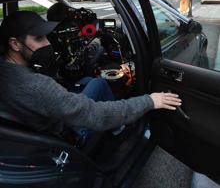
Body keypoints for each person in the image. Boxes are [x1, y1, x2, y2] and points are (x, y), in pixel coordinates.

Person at [0, 11, 181, 138]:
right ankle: (118, 129)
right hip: (68, 132)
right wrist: (150, 101)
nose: (48, 43)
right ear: (15, 44)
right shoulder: (38, 86)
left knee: (86, 80)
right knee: (99, 83)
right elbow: (98, 114)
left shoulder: (6, 71)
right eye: (39, 38)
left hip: (42, 122)